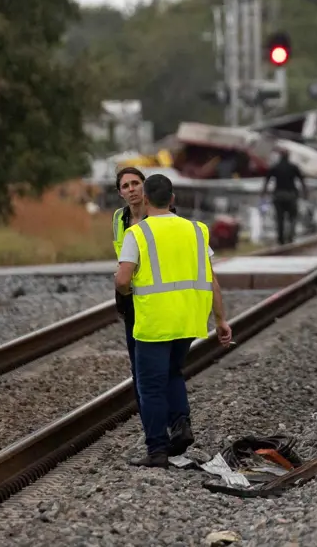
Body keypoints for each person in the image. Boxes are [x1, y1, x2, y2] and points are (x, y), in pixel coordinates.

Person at [115, 174, 232, 467]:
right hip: (188, 319)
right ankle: (181, 425)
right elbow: (212, 279)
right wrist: (221, 320)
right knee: (173, 373)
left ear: (145, 199)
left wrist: (127, 292)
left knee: (150, 386)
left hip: (154, 321)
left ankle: (157, 450)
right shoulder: (197, 230)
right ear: (172, 199)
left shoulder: (137, 234)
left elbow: (123, 279)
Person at [112, 167, 148, 393]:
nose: (131, 189)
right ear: (120, 193)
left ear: (145, 185)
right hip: (129, 297)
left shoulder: (158, 215)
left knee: (156, 364)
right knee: (136, 363)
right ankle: (145, 407)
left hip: (154, 297)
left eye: (135, 183)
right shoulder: (119, 218)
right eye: (126, 186)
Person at [261, 150, 306, 246]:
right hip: (291, 195)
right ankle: (290, 236)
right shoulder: (293, 167)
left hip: (278, 195)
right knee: (292, 217)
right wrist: (305, 192)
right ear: (288, 156)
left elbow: (267, 180)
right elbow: (302, 180)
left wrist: (264, 192)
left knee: (279, 218)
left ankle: (280, 239)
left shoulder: (275, 167)